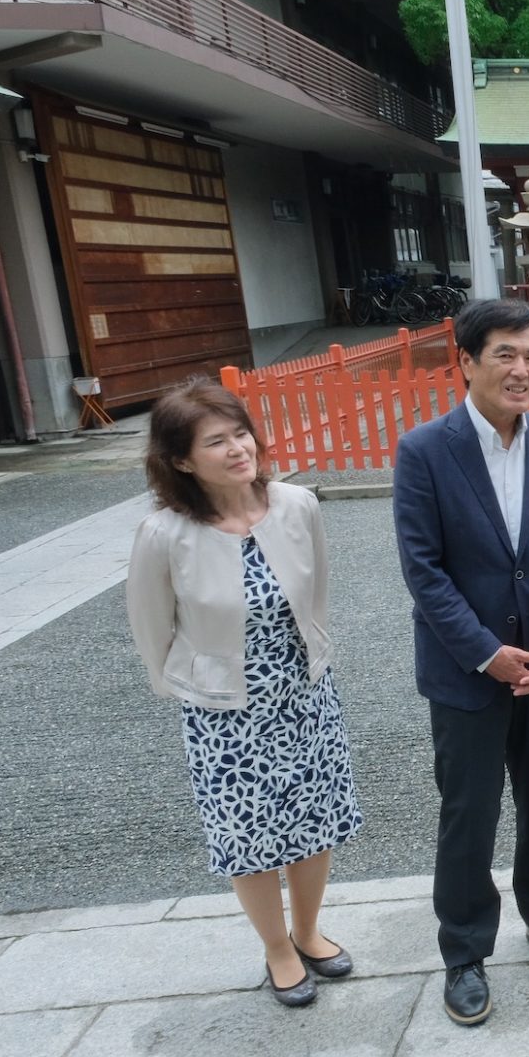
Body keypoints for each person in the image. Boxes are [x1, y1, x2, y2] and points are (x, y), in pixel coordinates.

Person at [393, 298, 529, 1027]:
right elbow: (423, 571)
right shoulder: (425, 450)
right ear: (468, 362)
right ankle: (464, 952)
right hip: (467, 673)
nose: (521, 369)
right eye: (505, 354)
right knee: (468, 812)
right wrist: (486, 654)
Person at [127, 380, 361, 1008]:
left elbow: (315, 594)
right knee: (249, 836)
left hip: (304, 694)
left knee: (314, 821)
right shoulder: (164, 534)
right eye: (216, 441)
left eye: (241, 433)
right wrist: (186, 690)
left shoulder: (295, 504)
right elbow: (152, 627)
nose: (238, 449)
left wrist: (313, 661)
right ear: (181, 460)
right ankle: (277, 949)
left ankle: (308, 931)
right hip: (224, 711)